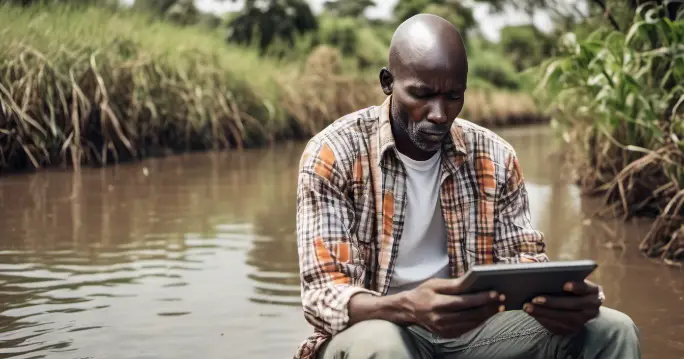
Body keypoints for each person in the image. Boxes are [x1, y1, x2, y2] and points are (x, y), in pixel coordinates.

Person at [294, 13, 641, 359]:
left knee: (612, 329)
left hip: (470, 335)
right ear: (388, 82)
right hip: (371, 331)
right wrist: (409, 307)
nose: (439, 114)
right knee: (384, 344)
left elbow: (523, 262)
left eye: (453, 96)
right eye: (422, 94)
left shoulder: (495, 156)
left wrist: (562, 299)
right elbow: (323, 295)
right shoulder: (334, 153)